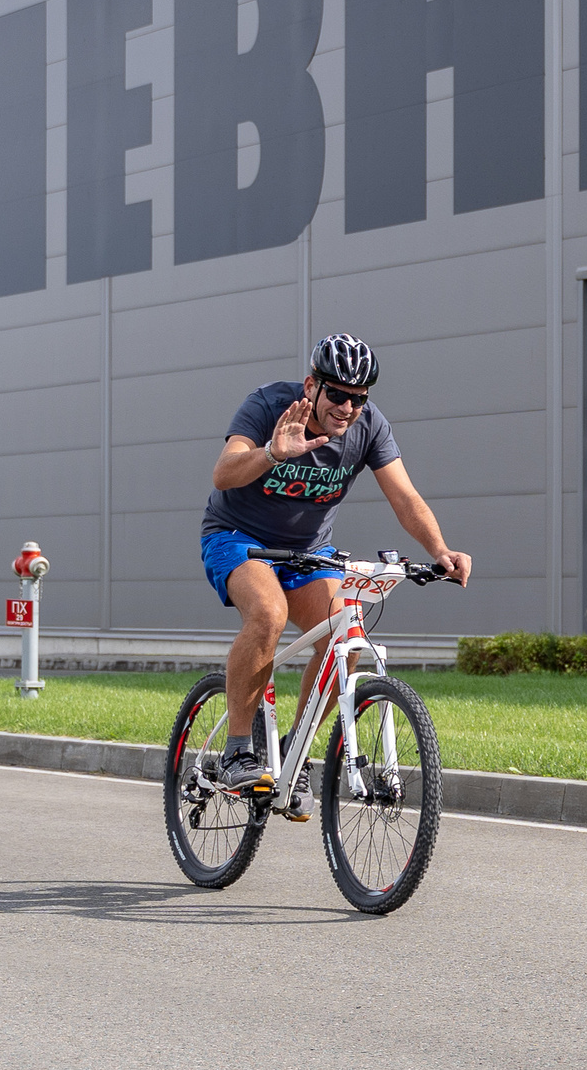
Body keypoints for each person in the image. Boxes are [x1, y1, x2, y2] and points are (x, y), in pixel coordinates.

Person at [201, 333, 471, 795]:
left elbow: (404, 497)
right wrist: (272, 453)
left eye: (359, 399)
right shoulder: (268, 406)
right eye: (339, 394)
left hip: (308, 550)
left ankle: (292, 752)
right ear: (312, 386)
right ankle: (237, 750)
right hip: (237, 538)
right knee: (268, 614)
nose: (348, 407)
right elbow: (223, 474)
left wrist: (440, 550)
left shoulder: (369, 428)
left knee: (344, 637)